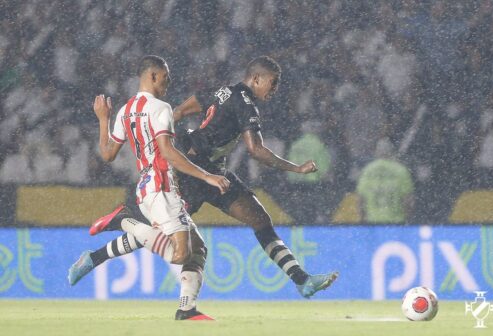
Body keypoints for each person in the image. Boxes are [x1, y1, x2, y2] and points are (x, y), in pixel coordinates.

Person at [70, 55, 338, 301]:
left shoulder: (224, 91)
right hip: (195, 170)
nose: (275, 89)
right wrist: (296, 169)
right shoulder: (247, 106)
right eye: (273, 82)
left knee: (258, 218)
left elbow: (184, 109)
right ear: (256, 79)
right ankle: (98, 252)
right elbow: (255, 150)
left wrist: (173, 129)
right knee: (168, 239)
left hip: (212, 169)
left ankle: (302, 280)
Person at [68, 55, 230, 320]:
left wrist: (102, 120)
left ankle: (186, 309)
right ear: (153, 75)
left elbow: (107, 154)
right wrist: (207, 176)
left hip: (145, 186)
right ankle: (124, 221)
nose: (169, 80)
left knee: (198, 248)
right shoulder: (160, 107)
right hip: (162, 184)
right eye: (166, 75)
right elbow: (167, 152)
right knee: (181, 253)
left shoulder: (126, 110)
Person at [356, 137, 414, 223]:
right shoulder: (400, 170)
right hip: (396, 222)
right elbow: (408, 200)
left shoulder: (367, 170)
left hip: (373, 221)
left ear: (376, 152)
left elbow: (361, 199)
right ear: (391, 152)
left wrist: (362, 219)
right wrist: (407, 218)